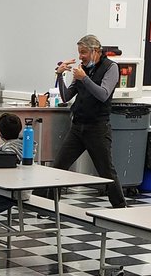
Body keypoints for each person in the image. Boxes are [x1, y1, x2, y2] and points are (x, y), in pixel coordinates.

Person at [53, 34, 126, 207]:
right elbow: (66, 96)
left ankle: (120, 207)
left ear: (96, 51)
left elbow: (103, 94)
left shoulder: (111, 68)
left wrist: (84, 78)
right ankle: (42, 203)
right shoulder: (81, 69)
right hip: (78, 127)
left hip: (98, 128)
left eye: (83, 52)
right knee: (58, 166)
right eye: (79, 53)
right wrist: (59, 75)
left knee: (106, 171)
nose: (80, 57)